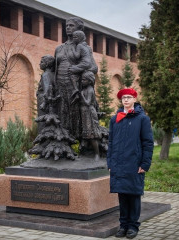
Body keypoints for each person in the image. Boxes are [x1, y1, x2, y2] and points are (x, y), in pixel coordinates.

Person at [106, 88, 154, 238]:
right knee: (122, 196)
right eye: (123, 98)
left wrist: (145, 164)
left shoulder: (142, 119)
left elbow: (148, 143)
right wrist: (110, 163)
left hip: (134, 164)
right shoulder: (115, 119)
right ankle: (123, 225)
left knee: (133, 196)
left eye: (128, 97)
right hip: (118, 165)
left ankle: (133, 226)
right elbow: (111, 142)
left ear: (134, 99)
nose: (126, 100)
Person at [54, 17, 97, 139]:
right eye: (67, 25)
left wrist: (80, 72)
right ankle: (63, 139)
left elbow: (93, 67)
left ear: (79, 29)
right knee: (62, 112)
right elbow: (54, 69)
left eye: (71, 25)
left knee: (75, 114)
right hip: (60, 85)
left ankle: (78, 141)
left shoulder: (84, 47)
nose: (68, 27)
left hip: (76, 86)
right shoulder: (59, 48)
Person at [79, 71, 101, 161]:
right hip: (84, 113)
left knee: (91, 134)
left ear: (89, 81)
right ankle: (86, 152)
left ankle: (97, 154)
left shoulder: (90, 90)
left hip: (89, 113)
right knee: (86, 134)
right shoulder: (84, 89)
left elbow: (87, 102)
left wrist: (81, 95)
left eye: (84, 80)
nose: (82, 81)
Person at [69, 30, 94, 104]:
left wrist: (73, 49)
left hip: (84, 63)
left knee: (71, 70)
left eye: (75, 37)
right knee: (77, 72)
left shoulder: (79, 45)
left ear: (80, 38)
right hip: (88, 64)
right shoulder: (86, 46)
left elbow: (77, 56)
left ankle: (75, 89)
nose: (73, 39)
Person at [37, 55, 56, 131]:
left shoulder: (45, 75)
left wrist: (44, 103)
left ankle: (43, 140)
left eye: (42, 62)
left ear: (47, 63)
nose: (40, 64)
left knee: (42, 121)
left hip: (43, 100)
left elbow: (47, 90)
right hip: (50, 101)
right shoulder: (53, 74)